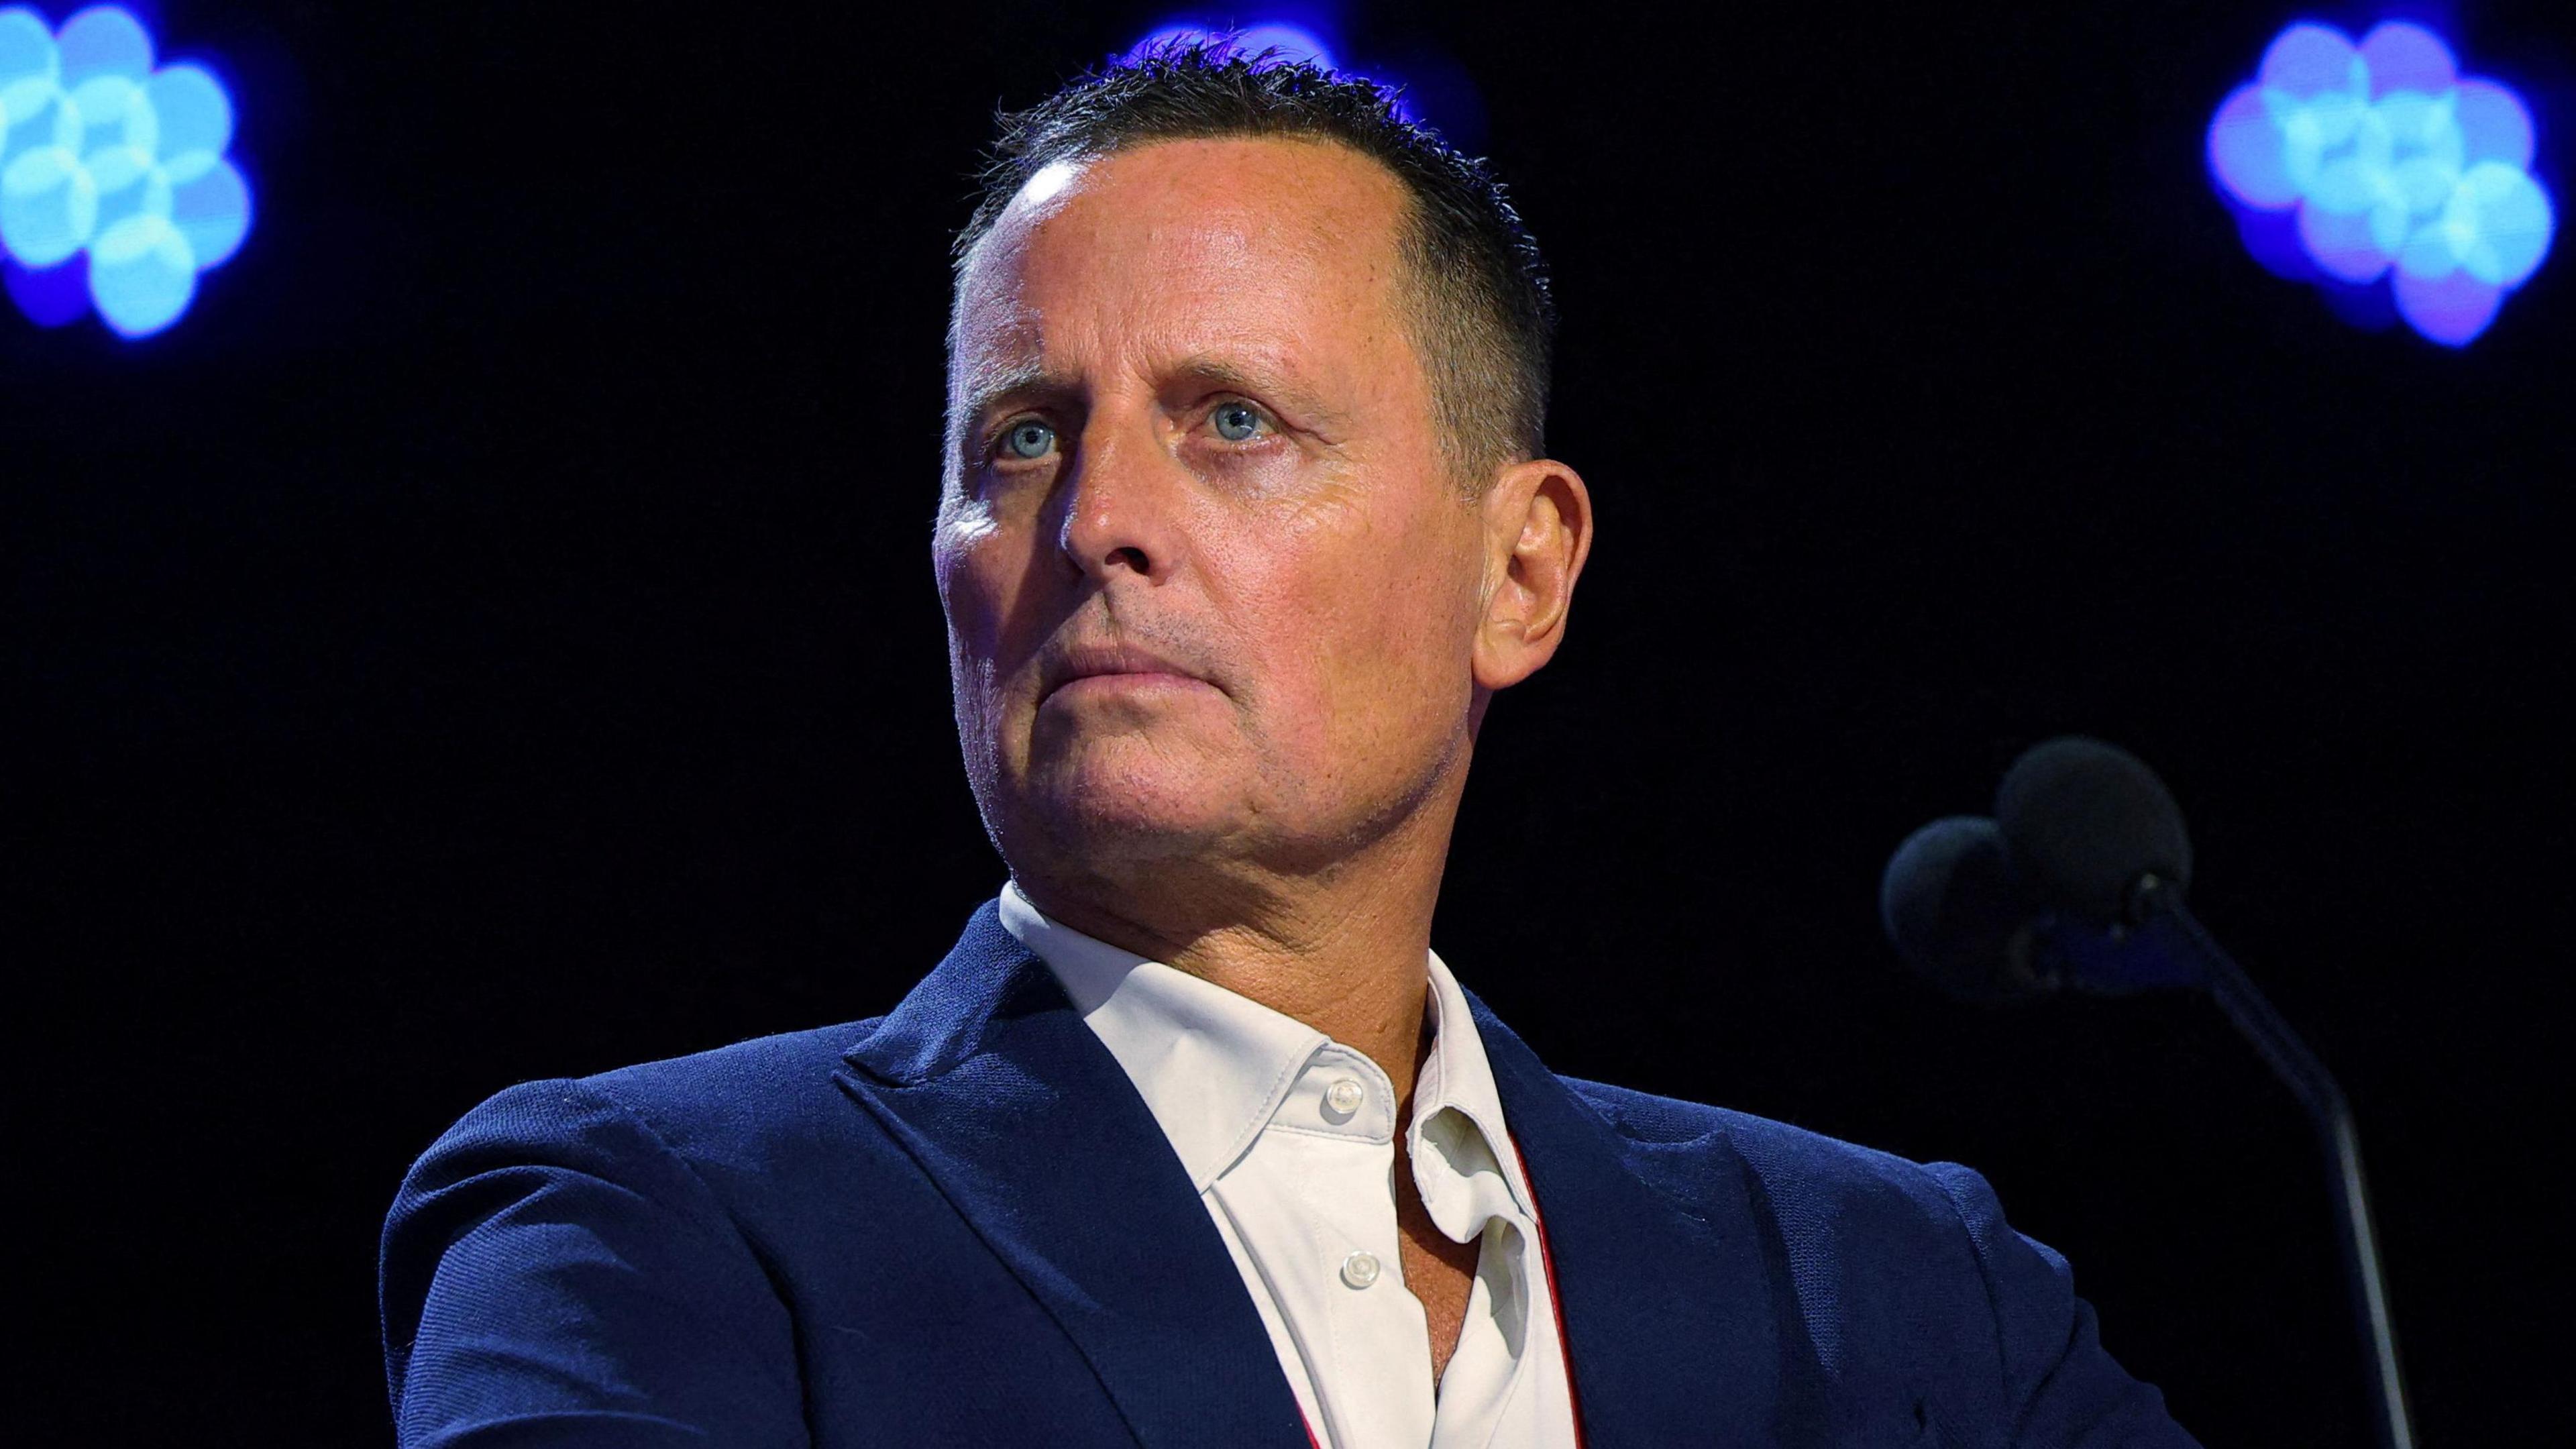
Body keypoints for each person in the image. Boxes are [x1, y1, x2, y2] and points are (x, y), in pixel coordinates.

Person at [379, 42, 2198, 1448]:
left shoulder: (1905, 1298)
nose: (1096, 518)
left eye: (1232, 420)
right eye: (1018, 437)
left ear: (1520, 568)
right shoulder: (648, 1229)